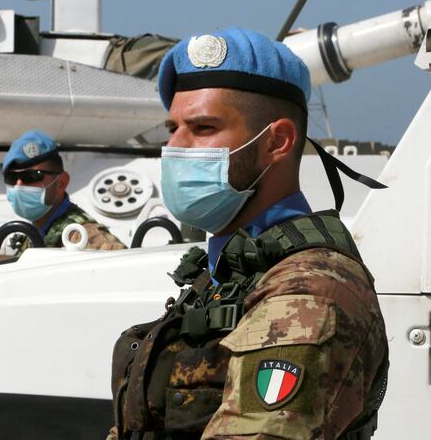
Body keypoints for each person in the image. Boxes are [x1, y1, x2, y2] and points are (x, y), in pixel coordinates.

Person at [109, 28, 388, 439]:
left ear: (277, 141)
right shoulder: (224, 275)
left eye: (203, 128)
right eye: (172, 127)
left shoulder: (310, 290)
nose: (175, 146)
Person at [3, 130, 126, 251]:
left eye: (31, 176)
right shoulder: (36, 232)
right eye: (11, 178)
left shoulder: (83, 237)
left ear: (60, 183)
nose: (19, 185)